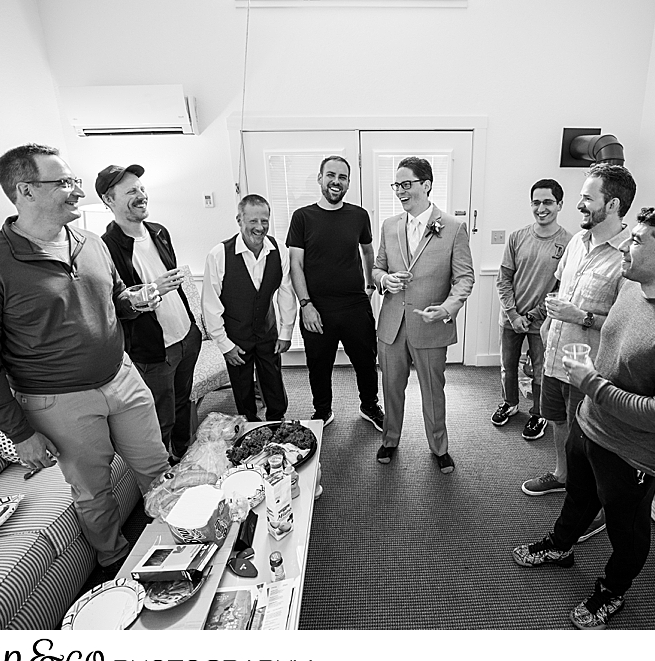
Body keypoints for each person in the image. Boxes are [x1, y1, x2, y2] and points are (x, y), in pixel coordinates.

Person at [0, 143, 171, 578]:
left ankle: (181, 538)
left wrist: (134, 301)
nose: (75, 190)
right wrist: (19, 432)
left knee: (157, 465)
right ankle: (117, 567)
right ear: (25, 191)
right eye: (64, 182)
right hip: (58, 400)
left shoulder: (91, 242)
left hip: (121, 377)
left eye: (74, 181)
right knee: (93, 491)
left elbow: (111, 302)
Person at [512, 205, 655, 630]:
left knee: (627, 531)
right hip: (589, 426)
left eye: (638, 240)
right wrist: (593, 381)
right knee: (579, 496)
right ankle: (561, 546)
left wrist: (591, 383)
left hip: (634, 454)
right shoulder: (631, 286)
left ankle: (612, 591)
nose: (626, 244)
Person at [521, 163, 637, 543]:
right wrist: (549, 320)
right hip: (555, 353)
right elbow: (562, 288)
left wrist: (581, 316)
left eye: (588, 198)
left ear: (613, 203)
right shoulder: (576, 243)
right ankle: (561, 476)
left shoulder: (628, 258)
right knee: (558, 421)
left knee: (586, 436)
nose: (580, 205)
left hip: (590, 367)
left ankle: (588, 506)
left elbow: (628, 327)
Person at [373, 157, 475, 474]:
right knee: (390, 387)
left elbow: (464, 278)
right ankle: (390, 439)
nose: (400, 192)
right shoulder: (389, 226)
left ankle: (439, 447)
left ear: (426, 185)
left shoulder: (453, 228)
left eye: (407, 184)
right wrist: (383, 280)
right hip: (391, 324)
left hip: (430, 325)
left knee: (433, 390)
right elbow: (377, 268)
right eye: (397, 185)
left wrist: (447, 308)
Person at [99, 164, 202, 462]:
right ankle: (163, 477)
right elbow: (114, 305)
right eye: (131, 191)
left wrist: (193, 327)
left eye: (142, 189)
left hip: (186, 335)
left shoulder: (159, 232)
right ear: (109, 200)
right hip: (155, 350)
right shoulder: (106, 248)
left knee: (184, 403)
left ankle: (186, 456)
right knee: (162, 416)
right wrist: (149, 290)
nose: (141, 195)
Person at [286, 156, 384, 431]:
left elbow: (367, 251)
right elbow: (296, 264)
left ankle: (369, 405)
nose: (336, 182)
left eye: (342, 177)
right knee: (319, 365)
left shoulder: (358, 215)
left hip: (355, 304)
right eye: (331, 175)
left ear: (348, 183)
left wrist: (369, 285)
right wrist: (305, 304)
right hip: (317, 306)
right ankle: (322, 411)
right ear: (320, 178)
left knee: (366, 361)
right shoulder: (302, 217)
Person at [202, 194, 296, 424]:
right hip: (236, 335)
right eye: (253, 221)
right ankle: (250, 423)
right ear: (239, 220)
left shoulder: (279, 249)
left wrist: (286, 333)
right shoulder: (219, 255)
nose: (260, 227)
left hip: (267, 330)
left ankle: (277, 419)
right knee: (242, 387)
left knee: (272, 379)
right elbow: (210, 305)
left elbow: (286, 293)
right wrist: (225, 345)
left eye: (264, 221)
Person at [493, 178, 572, 440]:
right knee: (508, 365)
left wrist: (532, 316)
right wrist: (514, 315)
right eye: (536, 202)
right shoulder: (517, 237)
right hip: (511, 319)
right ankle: (510, 403)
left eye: (548, 202)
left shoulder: (569, 244)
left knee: (541, 370)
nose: (541, 208)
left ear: (559, 204)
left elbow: (561, 289)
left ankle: (538, 414)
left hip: (542, 322)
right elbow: (503, 279)